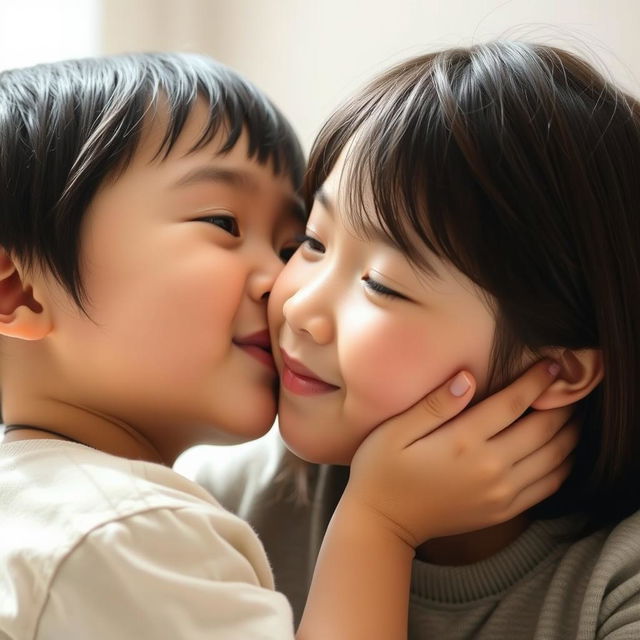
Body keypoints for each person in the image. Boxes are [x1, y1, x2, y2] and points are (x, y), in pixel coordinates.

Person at [0, 52, 573, 639]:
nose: (286, 290)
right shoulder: (129, 537)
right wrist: (378, 525)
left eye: (290, 243)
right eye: (223, 223)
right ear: (18, 291)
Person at [193, 41, 640, 639]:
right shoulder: (227, 507)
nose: (298, 307)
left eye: (380, 285)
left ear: (558, 369)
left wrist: (379, 527)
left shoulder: (618, 585)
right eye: (313, 242)